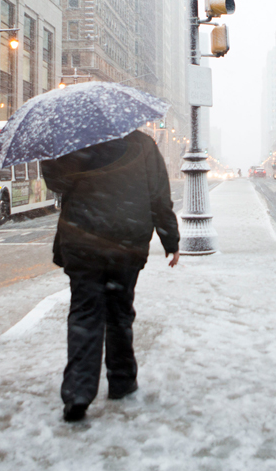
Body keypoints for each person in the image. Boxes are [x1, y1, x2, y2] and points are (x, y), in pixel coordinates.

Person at [40, 130, 180, 423]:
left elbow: (57, 184)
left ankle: (79, 392)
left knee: (84, 314)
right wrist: (171, 241)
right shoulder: (142, 143)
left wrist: (50, 155)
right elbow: (158, 194)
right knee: (119, 313)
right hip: (126, 242)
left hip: (81, 240)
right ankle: (122, 381)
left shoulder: (74, 140)